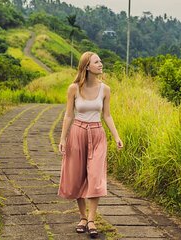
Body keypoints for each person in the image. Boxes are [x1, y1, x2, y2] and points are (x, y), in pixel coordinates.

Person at [58, 51, 123, 238]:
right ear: (87, 66)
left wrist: (116, 136)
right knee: (77, 176)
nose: (101, 64)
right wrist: (63, 139)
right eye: (97, 62)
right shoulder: (73, 88)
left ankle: (92, 219)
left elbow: (107, 115)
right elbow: (68, 115)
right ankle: (82, 217)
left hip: (97, 134)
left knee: (95, 176)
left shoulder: (105, 89)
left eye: (101, 61)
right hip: (77, 133)